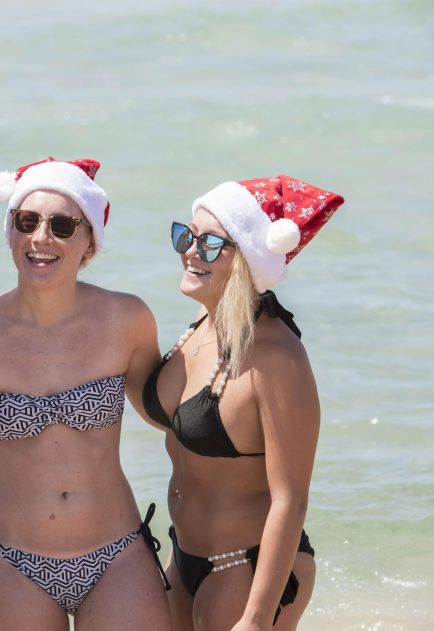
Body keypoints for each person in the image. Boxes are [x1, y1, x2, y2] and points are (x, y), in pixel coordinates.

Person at [0, 157, 172, 630]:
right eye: (27, 222)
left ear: (89, 244)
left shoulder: (127, 320)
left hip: (118, 554)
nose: (41, 238)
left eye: (63, 226)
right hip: (11, 560)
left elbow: (168, 412)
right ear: (11, 232)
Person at [135, 176, 344, 630]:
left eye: (211, 244)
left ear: (249, 258)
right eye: (186, 236)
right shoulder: (201, 323)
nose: (191, 251)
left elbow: (291, 499)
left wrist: (256, 616)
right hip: (183, 557)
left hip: (246, 569)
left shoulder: (276, 357)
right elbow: (175, 416)